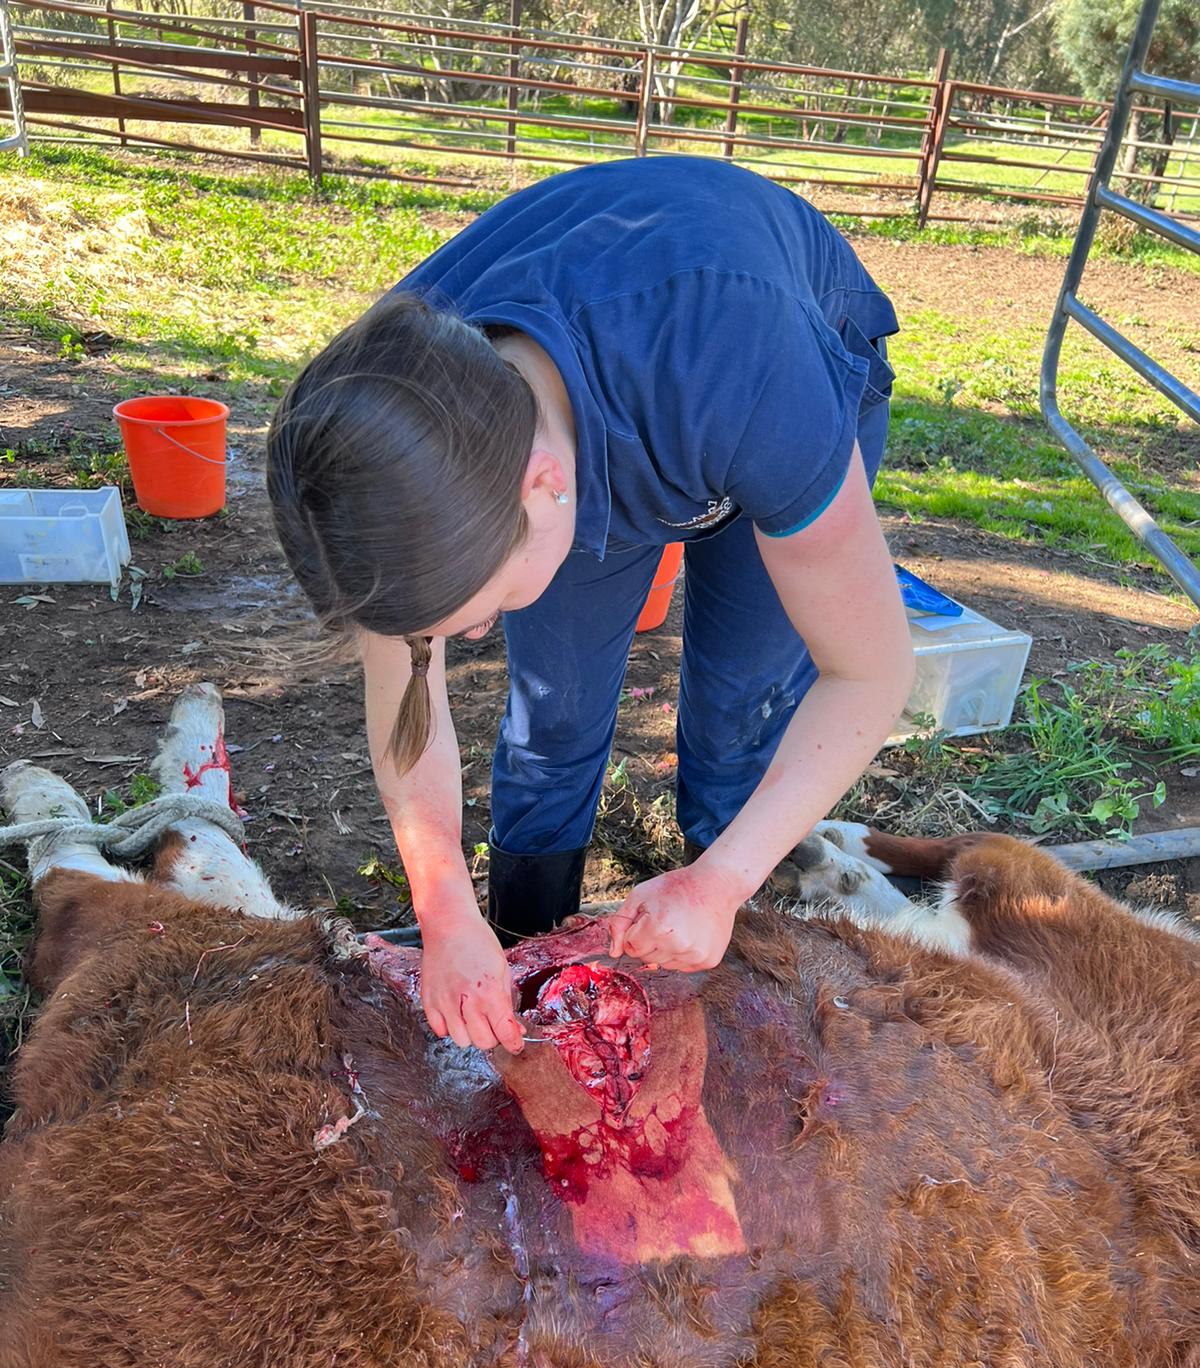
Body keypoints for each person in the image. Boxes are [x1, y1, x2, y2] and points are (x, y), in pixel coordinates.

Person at [267, 154, 914, 1057]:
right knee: (555, 707)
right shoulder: (393, 433)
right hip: (615, 402)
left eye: (477, 616)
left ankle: (723, 901)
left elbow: (869, 671)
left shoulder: (751, 374)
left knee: (741, 699)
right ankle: (532, 939)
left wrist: (721, 881)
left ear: (545, 487)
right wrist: (444, 906)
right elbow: (406, 691)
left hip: (765, 348)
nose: (475, 637)